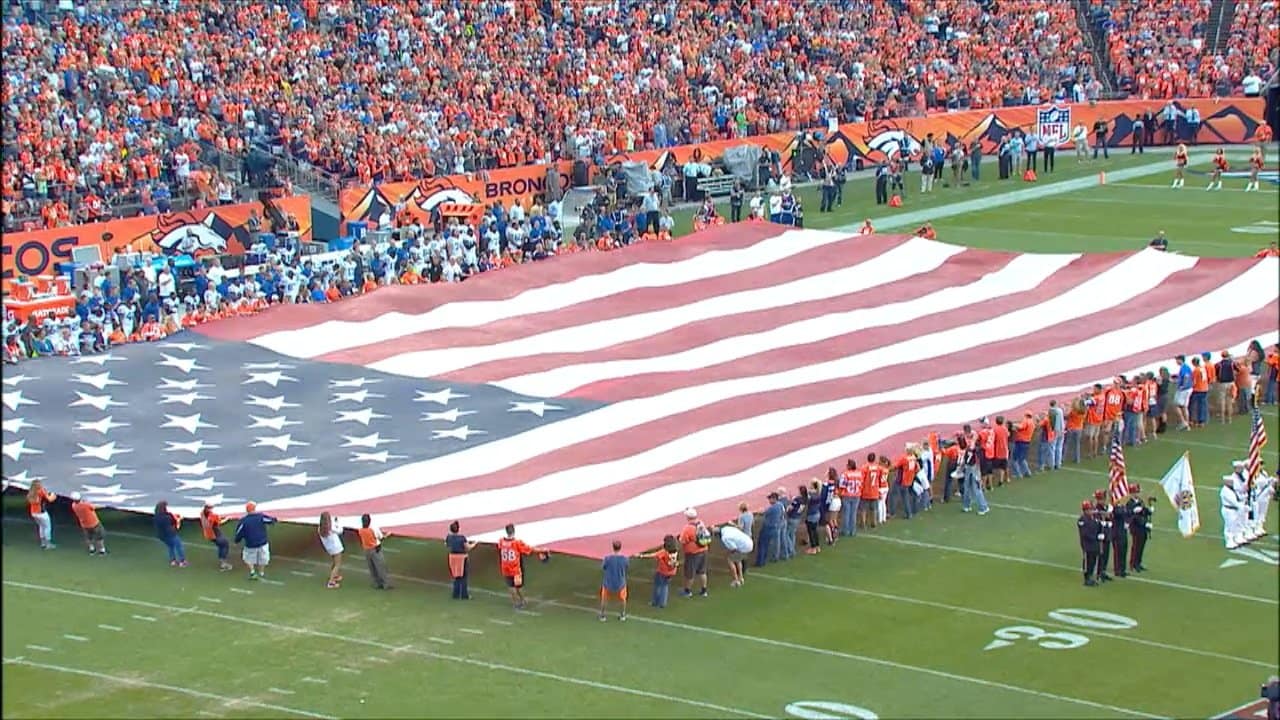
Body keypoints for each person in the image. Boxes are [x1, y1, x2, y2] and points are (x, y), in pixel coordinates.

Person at [497, 524, 545, 610]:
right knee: (518, 586)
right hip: (515, 567)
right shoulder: (517, 542)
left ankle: (515, 603)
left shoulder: (501, 541)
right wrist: (541, 550)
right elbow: (529, 549)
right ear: (514, 531)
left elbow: (501, 548)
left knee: (511, 586)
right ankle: (523, 601)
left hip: (505, 566)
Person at [234, 501, 277, 580]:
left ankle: (252, 572)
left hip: (250, 544)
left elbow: (239, 533)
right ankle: (261, 572)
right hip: (262, 542)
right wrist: (274, 520)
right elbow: (271, 520)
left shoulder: (243, 521)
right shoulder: (260, 517)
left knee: (248, 558)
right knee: (263, 558)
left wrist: (237, 540)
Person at [637, 536, 679, 609]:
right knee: (665, 586)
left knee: (657, 586)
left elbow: (653, 555)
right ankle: (663, 603)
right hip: (671, 571)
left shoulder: (664, 552)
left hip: (662, 571)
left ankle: (655, 601)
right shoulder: (675, 551)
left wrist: (641, 556)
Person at [678, 508, 713, 595]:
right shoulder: (701, 523)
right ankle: (704, 590)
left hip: (693, 553)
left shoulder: (688, 528)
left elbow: (682, 540)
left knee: (690, 572)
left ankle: (687, 591)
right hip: (704, 550)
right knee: (702, 571)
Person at [358, 514, 392, 590]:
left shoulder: (360, 530)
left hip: (366, 550)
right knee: (381, 567)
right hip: (375, 549)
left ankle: (376, 583)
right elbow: (381, 537)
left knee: (372, 568)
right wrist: (387, 535)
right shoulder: (373, 529)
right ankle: (385, 584)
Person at [445, 520, 477, 599]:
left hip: (452, 557)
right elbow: (468, 547)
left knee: (456, 576)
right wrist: (474, 544)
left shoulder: (449, 537)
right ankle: (464, 595)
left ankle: (455, 594)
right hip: (462, 558)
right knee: (463, 577)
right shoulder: (461, 538)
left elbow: (446, 545)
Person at [599, 540, 629, 621]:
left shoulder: (607, 558)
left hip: (608, 582)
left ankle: (602, 615)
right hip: (620, 582)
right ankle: (622, 615)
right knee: (623, 599)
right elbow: (626, 567)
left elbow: (603, 567)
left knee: (604, 599)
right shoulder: (625, 559)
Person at [1126, 484, 1153, 572]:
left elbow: (1143, 511)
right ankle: (1133, 563)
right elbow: (1134, 517)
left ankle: (1138, 562)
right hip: (1136, 528)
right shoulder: (1130, 503)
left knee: (1141, 546)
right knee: (1136, 546)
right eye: (1137, 492)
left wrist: (1149, 510)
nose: (1138, 493)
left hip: (1142, 528)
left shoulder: (1140, 501)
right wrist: (1144, 523)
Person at [718, 523, 753, 588]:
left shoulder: (725, 537)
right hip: (748, 543)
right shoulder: (728, 529)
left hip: (743, 547)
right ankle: (741, 577)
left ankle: (736, 580)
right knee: (738, 560)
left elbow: (733, 548)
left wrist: (728, 553)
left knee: (730, 560)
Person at [1077, 500, 1104, 586]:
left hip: (1094, 543)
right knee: (1088, 562)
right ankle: (1087, 578)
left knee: (1093, 561)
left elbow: (1099, 526)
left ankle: (1091, 576)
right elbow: (1085, 533)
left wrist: (1100, 533)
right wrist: (1096, 537)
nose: (1092, 511)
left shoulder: (1094, 518)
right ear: (1085, 510)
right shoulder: (1082, 520)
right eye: (1090, 509)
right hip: (1087, 544)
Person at [200, 502, 233, 571]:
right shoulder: (213, 516)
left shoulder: (202, 513)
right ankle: (223, 563)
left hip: (208, 534)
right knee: (225, 544)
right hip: (215, 533)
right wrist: (226, 519)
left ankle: (222, 560)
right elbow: (219, 522)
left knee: (221, 546)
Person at [755, 490, 785, 566]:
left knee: (762, 545)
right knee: (767, 544)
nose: (769, 500)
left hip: (768, 528)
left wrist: (758, 512)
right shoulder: (780, 505)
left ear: (774, 499)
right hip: (775, 527)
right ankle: (765, 559)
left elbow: (762, 512)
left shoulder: (772, 508)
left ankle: (760, 562)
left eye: (770, 499)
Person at [153, 500, 187, 567]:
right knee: (179, 546)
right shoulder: (167, 517)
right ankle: (182, 561)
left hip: (161, 535)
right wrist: (178, 521)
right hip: (170, 534)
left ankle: (173, 561)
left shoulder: (156, 517)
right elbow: (173, 524)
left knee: (170, 546)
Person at [27, 480, 57, 549]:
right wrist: (54, 494)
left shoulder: (31, 492)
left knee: (41, 526)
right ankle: (48, 544)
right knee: (47, 527)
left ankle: (43, 543)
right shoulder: (41, 491)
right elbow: (50, 499)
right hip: (41, 513)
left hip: (33, 513)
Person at [318, 511, 344, 588]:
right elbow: (340, 530)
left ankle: (335, 576)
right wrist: (337, 523)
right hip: (336, 547)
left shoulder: (320, 528)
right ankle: (331, 582)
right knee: (337, 564)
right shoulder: (331, 528)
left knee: (334, 562)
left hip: (329, 548)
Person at [1092, 490, 1114, 582]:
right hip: (1100, 535)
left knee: (1106, 554)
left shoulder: (1105, 507)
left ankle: (1103, 571)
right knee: (1101, 554)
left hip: (1107, 534)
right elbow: (1097, 520)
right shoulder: (1097, 508)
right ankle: (1099, 573)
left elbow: (1110, 517)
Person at [1221, 470, 1245, 549]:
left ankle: (1234, 539)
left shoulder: (1232, 489)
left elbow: (1238, 497)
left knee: (1234, 524)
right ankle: (1229, 541)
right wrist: (1242, 507)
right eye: (1230, 482)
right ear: (1226, 482)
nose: (1232, 483)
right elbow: (1234, 502)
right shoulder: (1225, 491)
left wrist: (1244, 499)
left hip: (1234, 510)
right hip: (1229, 510)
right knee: (1229, 526)